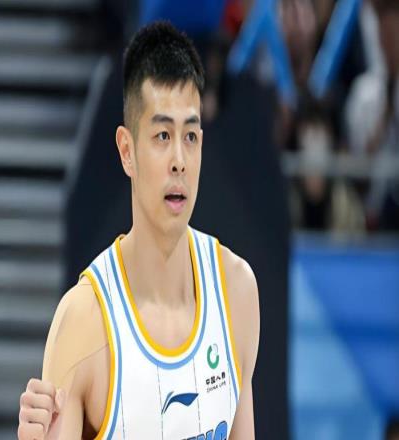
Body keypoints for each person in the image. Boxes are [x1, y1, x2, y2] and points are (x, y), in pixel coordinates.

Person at [18, 21, 260, 439]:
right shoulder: (84, 321)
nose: (179, 160)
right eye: (162, 135)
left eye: (190, 136)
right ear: (127, 150)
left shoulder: (237, 291)